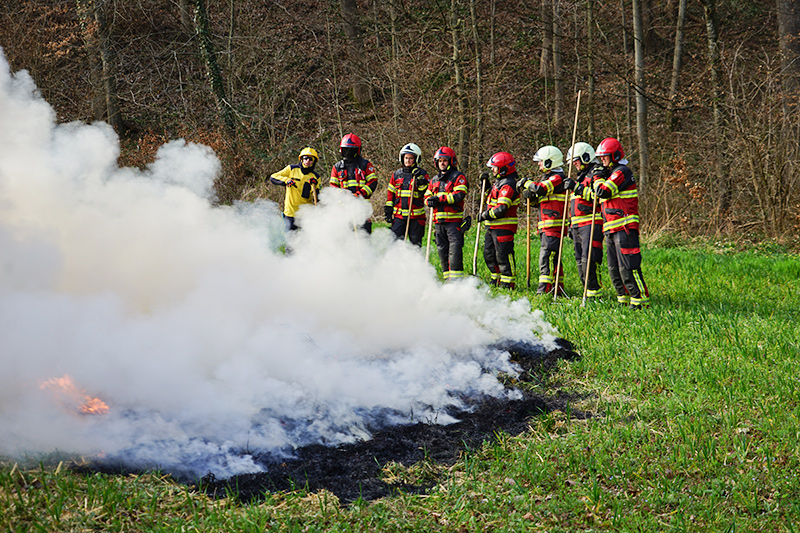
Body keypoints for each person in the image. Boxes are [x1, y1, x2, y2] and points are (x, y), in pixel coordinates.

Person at [592, 137, 650, 309]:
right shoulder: (610, 174)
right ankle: (623, 299)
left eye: (605, 156)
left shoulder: (622, 172)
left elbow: (603, 191)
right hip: (611, 228)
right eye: (601, 157)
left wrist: (597, 178)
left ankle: (640, 300)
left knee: (628, 266)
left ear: (615, 156)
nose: (602, 160)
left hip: (624, 227)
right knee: (614, 269)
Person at [518, 145, 568, 295]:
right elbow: (542, 200)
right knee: (552, 257)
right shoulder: (547, 177)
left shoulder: (557, 177)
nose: (539, 164)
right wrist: (531, 199)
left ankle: (544, 290)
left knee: (547, 256)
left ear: (550, 161)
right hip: (547, 226)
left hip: (554, 225)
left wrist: (526, 183)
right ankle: (557, 288)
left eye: (541, 161)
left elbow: (540, 189)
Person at [564, 142, 606, 298]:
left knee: (590, 260)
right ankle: (587, 292)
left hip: (591, 223)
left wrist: (577, 188)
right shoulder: (581, 176)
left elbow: (598, 196)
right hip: (578, 225)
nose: (574, 164)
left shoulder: (597, 173)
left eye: (576, 160)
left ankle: (595, 294)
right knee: (580, 261)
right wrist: (570, 224)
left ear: (586, 157)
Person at [425, 146, 469, 281]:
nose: (442, 163)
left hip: (453, 223)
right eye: (439, 161)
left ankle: (456, 281)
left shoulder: (458, 177)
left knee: (454, 251)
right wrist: (429, 201)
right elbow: (427, 196)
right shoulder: (434, 180)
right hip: (438, 223)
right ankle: (447, 279)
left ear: (451, 161)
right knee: (442, 251)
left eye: (444, 160)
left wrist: (439, 199)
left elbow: (459, 195)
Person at [477, 152, 521, 288]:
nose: (492, 170)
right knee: (489, 254)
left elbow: (501, 209)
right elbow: (491, 198)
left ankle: (508, 282)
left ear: (503, 168)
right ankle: (496, 279)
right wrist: (485, 185)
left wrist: (484, 215)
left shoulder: (509, 184)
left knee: (504, 255)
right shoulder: (499, 183)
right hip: (492, 227)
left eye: (495, 167)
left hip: (504, 227)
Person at [330, 133, 378, 233]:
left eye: (351, 150)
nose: (348, 152)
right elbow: (333, 186)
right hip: (344, 211)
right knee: (346, 239)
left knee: (364, 238)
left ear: (357, 150)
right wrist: (342, 195)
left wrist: (359, 194)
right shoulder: (337, 167)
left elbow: (372, 182)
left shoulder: (365, 165)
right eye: (346, 149)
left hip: (362, 210)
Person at [384, 143, 430, 246]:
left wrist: (420, 180)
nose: (407, 161)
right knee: (395, 244)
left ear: (416, 159)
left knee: (415, 246)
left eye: (410, 158)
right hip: (399, 217)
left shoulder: (422, 174)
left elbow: (425, 193)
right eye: (406, 158)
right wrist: (388, 209)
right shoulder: (396, 175)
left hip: (416, 218)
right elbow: (391, 194)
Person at [269, 147, 320, 232]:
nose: (307, 161)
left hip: (306, 214)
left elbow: (317, 198)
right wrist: (286, 180)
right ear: (301, 159)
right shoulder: (291, 169)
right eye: (305, 158)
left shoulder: (316, 177)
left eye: (310, 159)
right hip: (290, 213)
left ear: (314, 162)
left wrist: (314, 187)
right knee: (290, 239)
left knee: (307, 239)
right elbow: (273, 177)